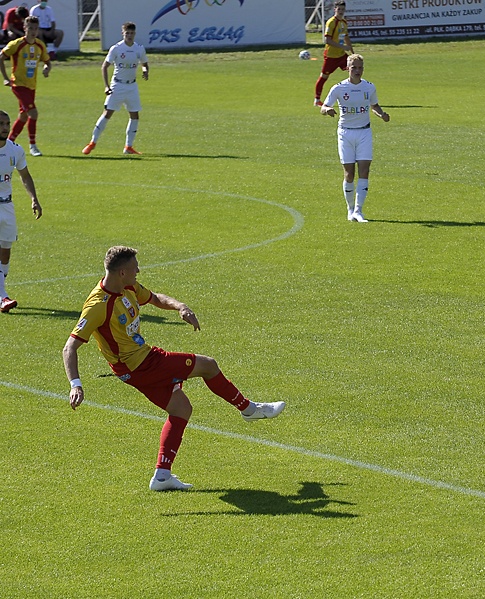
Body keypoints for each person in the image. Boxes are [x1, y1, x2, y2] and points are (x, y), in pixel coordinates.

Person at [63, 246, 286, 491]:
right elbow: (70, 348)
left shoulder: (128, 287)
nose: (139, 270)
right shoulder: (97, 306)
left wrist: (181, 306)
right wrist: (76, 385)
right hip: (141, 365)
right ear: (123, 271)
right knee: (208, 365)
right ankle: (249, 409)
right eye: (135, 267)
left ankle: (162, 476)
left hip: (136, 366)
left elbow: (156, 298)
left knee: (181, 409)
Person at [321, 53, 389, 222]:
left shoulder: (369, 87)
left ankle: (359, 211)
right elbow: (323, 106)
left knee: (364, 170)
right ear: (347, 69)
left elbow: (374, 105)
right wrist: (327, 110)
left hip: (364, 132)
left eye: (360, 68)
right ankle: (350, 209)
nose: (357, 71)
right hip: (345, 133)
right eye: (354, 68)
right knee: (349, 174)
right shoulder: (338, 88)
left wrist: (381, 114)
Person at [82, 22, 149, 156]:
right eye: (127, 33)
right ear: (123, 33)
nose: (129, 35)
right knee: (107, 113)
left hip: (132, 86)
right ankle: (92, 143)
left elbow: (144, 63)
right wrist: (107, 86)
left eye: (131, 33)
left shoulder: (139, 49)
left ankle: (128, 147)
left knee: (135, 115)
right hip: (117, 85)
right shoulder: (116, 48)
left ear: (135, 34)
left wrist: (145, 70)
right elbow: (104, 67)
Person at [0, 109, 42, 313]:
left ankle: (1, 286)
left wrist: (34, 198)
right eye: (1, 124)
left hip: (7, 205)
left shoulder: (15, 150)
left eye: (7, 124)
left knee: (5, 250)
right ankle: (2, 296)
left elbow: (25, 176)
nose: (5, 128)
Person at [0, 15, 50, 157]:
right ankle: (33, 146)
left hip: (31, 86)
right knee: (33, 113)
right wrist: (5, 78)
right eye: (30, 28)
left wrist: (47, 68)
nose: (33, 31)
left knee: (23, 116)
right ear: (24, 28)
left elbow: (47, 61)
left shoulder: (40, 45)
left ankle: (8, 144)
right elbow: (1, 57)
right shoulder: (17, 44)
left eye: (35, 28)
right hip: (18, 84)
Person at [313, 0, 352, 108]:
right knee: (324, 77)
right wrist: (343, 47)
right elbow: (327, 40)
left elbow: (346, 37)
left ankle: (351, 96)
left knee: (354, 71)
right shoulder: (331, 22)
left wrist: (352, 53)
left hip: (342, 55)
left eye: (342, 9)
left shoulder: (344, 22)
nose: (341, 11)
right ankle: (317, 100)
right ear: (334, 9)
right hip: (331, 56)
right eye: (339, 9)